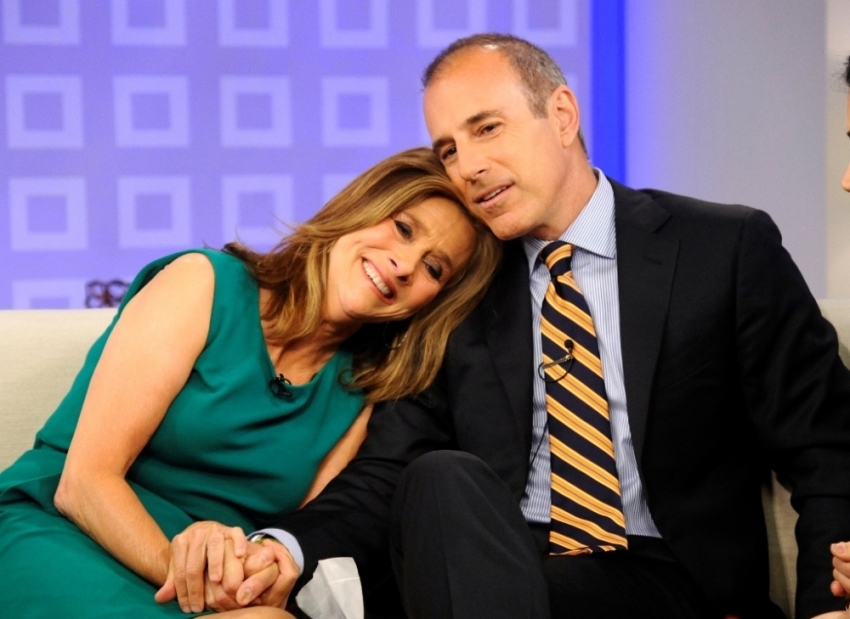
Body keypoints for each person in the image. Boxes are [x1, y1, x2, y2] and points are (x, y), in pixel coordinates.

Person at [171, 35, 850, 619]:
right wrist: (283, 547)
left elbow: (827, 447)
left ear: (560, 114)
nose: (466, 166)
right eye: (447, 149)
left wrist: (830, 606)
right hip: (492, 560)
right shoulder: (457, 289)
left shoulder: (721, 248)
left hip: (666, 578)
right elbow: (386, 471)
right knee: (439, 478)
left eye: (486, 128)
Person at [0, 147, 501, 618]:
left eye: (434, 268)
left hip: (210, 581)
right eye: (404, 228)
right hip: (65, 532)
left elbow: (305, 529)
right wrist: (189, 571)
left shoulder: (366, 390)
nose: (405, 265)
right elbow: (83, 485)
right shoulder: (203, 282)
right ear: (361, 208)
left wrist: (248, 576)